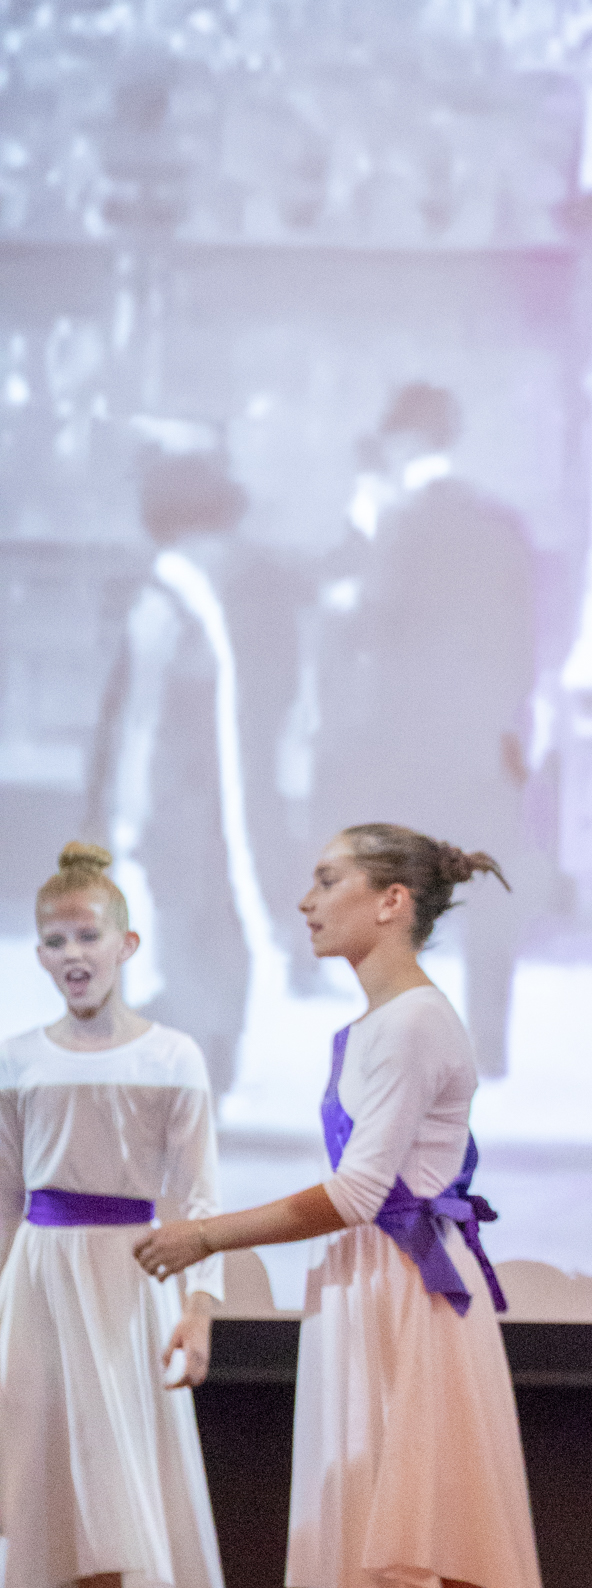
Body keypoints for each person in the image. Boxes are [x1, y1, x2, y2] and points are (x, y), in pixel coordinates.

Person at [136, 824, 566, 1588]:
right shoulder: (378, 1023)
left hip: (413, 1305)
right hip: (372, 1295)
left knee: (455, 1544)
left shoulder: (414, 1021)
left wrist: (205, 1235)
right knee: (371, 1541)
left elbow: (363, 1191)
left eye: (328, 880)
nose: (307, 899)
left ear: (391, 902)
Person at [0, 842, 228, 1588]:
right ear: (39, 954)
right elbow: (6, 1199)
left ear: (126, 943)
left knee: (109, 1493)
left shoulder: (172, 1056)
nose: (73, 954)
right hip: (35, 1288)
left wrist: (198, 1310)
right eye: (55, 941)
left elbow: (201, 1200)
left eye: (88, 936)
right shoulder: (17, 1059)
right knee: (19, 1488)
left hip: (126, 1285)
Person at [313, 386, 540, 1077]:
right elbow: (525, 637)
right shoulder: (502, 523)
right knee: (489, 892)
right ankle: (492, 1046)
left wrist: (344, 597)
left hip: (409, 743)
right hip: (487, 742)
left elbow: (376, 620)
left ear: (402, 441)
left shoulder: (400, 521)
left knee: (401, 897)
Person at [87, 440, 280, 1100]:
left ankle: (200, 1087)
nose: (229, 546)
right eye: (219, 531)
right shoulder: (162, 608)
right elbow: (138, 724)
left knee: (218, 952)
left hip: (208, 817)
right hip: (177, 819)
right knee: (190, 958)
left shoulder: (197, 603)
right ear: (192, 533)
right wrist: (129, 826)